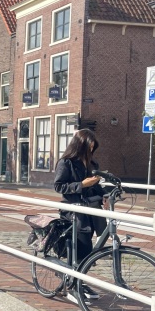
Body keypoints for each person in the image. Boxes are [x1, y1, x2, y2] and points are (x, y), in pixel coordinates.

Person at [53, 128, 107, 301]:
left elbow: (96, 187)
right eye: (89, 147)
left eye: (93, 147)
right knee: (81, 248)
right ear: (80, 145)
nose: (91, 150)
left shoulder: (93, 164)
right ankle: (72, 284)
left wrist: (105, 193)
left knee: (87, 249)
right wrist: (81, 185)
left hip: (90, 211)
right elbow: (59, 186)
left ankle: (77, 280)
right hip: (74, 212)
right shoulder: (66, 163)